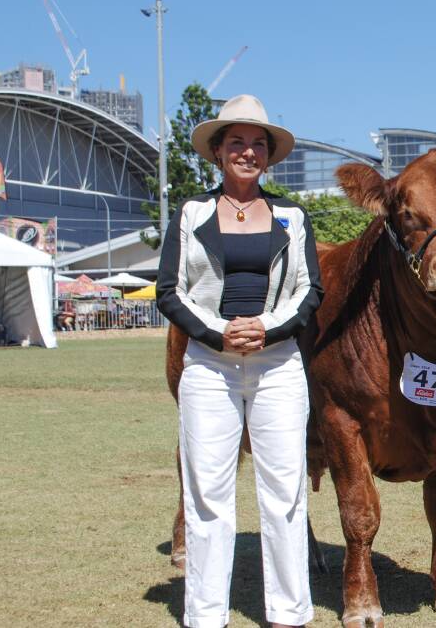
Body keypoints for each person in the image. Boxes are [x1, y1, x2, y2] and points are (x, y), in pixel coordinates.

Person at [156, 94, 323, 628]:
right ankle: (204, 615)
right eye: (237, 143)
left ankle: (290, 614)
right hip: (208, 366)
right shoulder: (191, 213)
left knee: (285, 492)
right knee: (207, 493)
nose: (247, 152)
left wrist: (268, 327)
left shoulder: (294, 217)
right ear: (218, 152)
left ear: (269, 156)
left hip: (279, 367)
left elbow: (309, 290)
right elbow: (169, 290)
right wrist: (217, 333)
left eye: (257, 144)